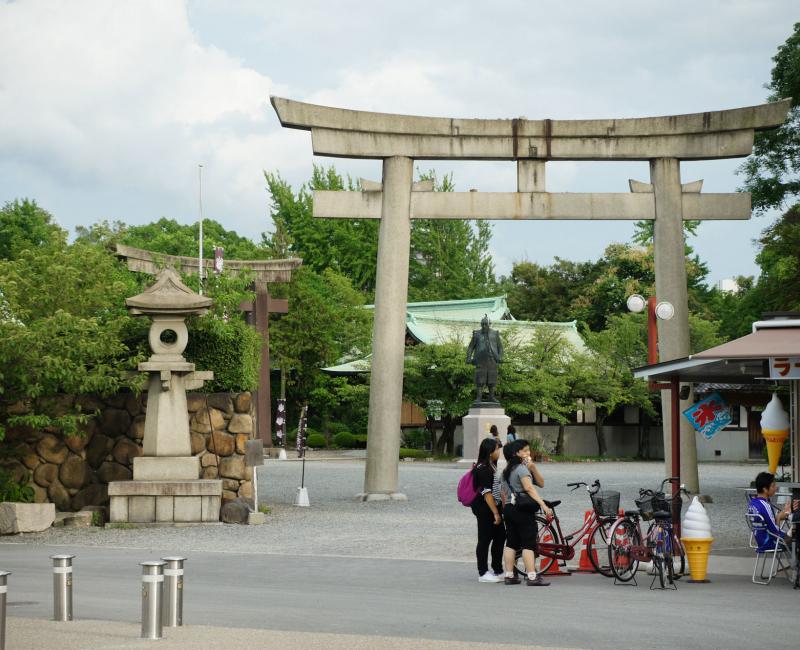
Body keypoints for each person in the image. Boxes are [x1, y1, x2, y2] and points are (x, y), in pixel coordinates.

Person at [501, 439, 552, 586]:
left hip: (509, 509)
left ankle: (509, 576)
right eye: (524, 451)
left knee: (511, 543)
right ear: (517, 453)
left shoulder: (505, 471)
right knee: (528, 543)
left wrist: (533, 468)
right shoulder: (521, 469)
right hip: (522, 509)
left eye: (528, 450)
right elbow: (529, 488)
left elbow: (541, 483)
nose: (528, 453)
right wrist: (543, 504)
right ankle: (532, 577)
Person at [471, 437, 505, 582]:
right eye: (497, 449)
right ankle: (483, 572)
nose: (499, 451)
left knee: (500, 536)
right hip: (485, 509)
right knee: (485, 539)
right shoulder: (483, 468)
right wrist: (496, 513)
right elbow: (487, 493)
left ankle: (497, 569)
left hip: (494, 506)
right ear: (490, 451)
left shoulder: (492, 465)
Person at [747, 472, 798, 551]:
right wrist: (779, 517)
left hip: (761, 540)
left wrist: (784, 514)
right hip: (771, 542)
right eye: (773, 486)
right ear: (765, 489)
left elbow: (769, 526)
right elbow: (775, 532)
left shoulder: (752, 503)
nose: (776, 488)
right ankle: (796, 563)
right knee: (796, 539)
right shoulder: (765, 505)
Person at [466, 315, 504, 403]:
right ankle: (479, 397)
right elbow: (471, 347)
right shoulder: (476, 334)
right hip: (480, 360)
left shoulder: (495, 334)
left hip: (492, 359)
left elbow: (500, 348)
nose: (484, 326)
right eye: (482, 324)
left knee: (492, 379)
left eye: (485, 324)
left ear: (489, 324)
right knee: (480, 379)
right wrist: (468, 357)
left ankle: (491, 397)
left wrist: (500, 357)